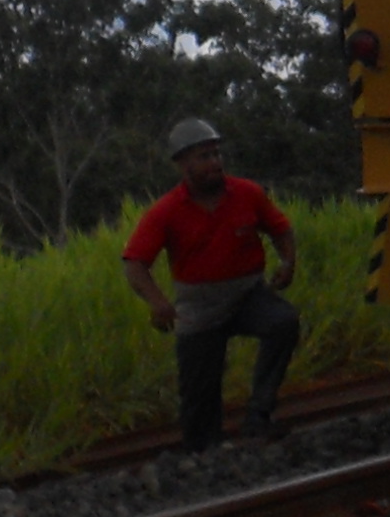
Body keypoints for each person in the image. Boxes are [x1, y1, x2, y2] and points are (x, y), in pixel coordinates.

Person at [121, 117, 303, 450]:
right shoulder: (166, 211)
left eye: (217, 154)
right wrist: (158, 302)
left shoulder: (247, 193)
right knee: (198, 407)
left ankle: (258, 417)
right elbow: (134, 263)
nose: (214, 163)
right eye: (204, 157)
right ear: (182, 164)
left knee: (283, 322)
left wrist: (288, 262)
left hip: (248, 295)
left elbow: (280, 229)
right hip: (199, 307)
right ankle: (206, 450)